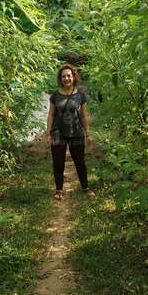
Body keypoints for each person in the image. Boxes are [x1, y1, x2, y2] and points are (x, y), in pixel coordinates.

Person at [46, 63, 95, 201]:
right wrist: (48, 132)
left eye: (68, 75)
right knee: (58, 162)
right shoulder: (55, 96)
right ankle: (59, 190)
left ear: (73, 76)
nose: (66, 78)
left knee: (80, 161)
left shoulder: (80, 95)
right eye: (63, 76)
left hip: (77, 132)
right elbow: (51, 115)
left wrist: (88, 133)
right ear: (60, 79)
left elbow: (84, 115)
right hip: (57, 133)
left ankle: (85, 187)